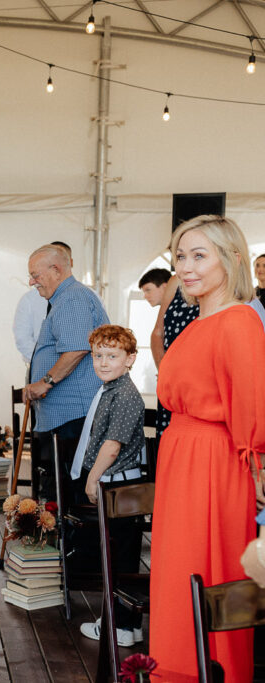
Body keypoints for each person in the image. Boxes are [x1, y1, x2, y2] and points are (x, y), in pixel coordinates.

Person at [150, 215, 265, 683]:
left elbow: (253, 405)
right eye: (181, 256)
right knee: (179, 571)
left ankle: (209, 670)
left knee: (205, 571)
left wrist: (257, 470)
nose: (186, 267)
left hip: (214, 463)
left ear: (232, 259)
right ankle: (175, 664)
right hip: (182, 456)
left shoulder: (238, 320)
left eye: (200, 255)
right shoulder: (198, 321)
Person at [68, 325, 147, 647]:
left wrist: (92, 477)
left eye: (112, 356)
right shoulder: (111, 389)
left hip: (120, 488)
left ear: (130, 359)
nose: (103, 362)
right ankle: (128, 626)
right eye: (98, 355)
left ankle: (118, 627)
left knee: (119, 559)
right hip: (117, 485)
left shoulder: (125, 395)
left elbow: (112, 445)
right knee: (118, 557)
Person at [23, 244, 109, 503]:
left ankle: (70, 530)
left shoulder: (72, 298)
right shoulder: (64, 298)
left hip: (74, 415)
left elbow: (76, 349)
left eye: (35, 275)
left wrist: (45, 382)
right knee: (60, 487)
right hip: (67, 414)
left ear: (56, 270)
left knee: (71, 490)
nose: (32, 282)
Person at [150, 273, 199, 438]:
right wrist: (165, 371)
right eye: (180, 259)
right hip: (170, 385)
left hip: (199, 386)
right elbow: (157, 333)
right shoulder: (176, 281)